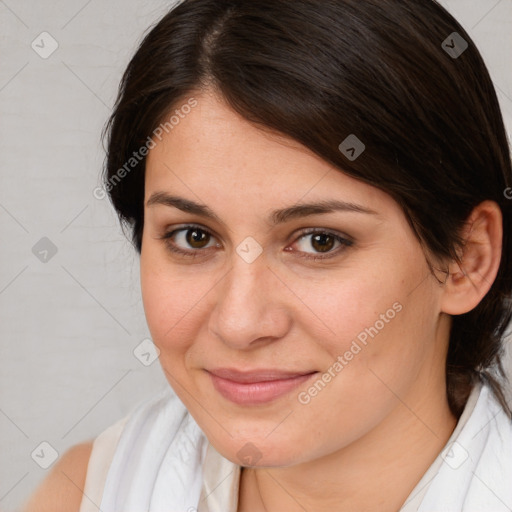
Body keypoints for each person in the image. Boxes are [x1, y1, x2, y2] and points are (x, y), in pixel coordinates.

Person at [24, 0, 512, 510]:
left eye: (319, 241)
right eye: (193, 237)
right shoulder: (88, 492)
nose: (239, 323)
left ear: (466, 260)